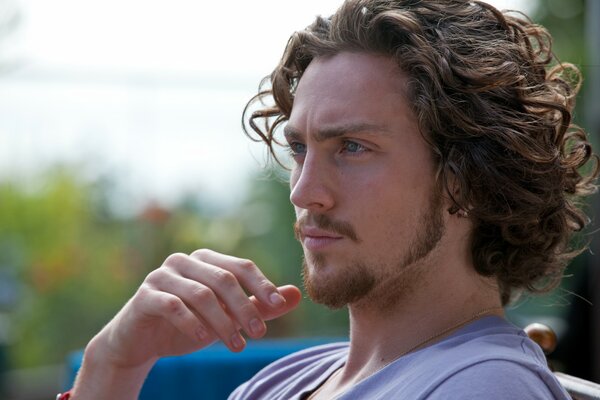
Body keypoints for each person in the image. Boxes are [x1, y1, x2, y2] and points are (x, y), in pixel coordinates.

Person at [62, 0, 598, 398]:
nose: (303, 190)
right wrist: (113, 363)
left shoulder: (484, 387)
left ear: (466, 178)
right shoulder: (281, 382)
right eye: (299, 147)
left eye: (352, 147)